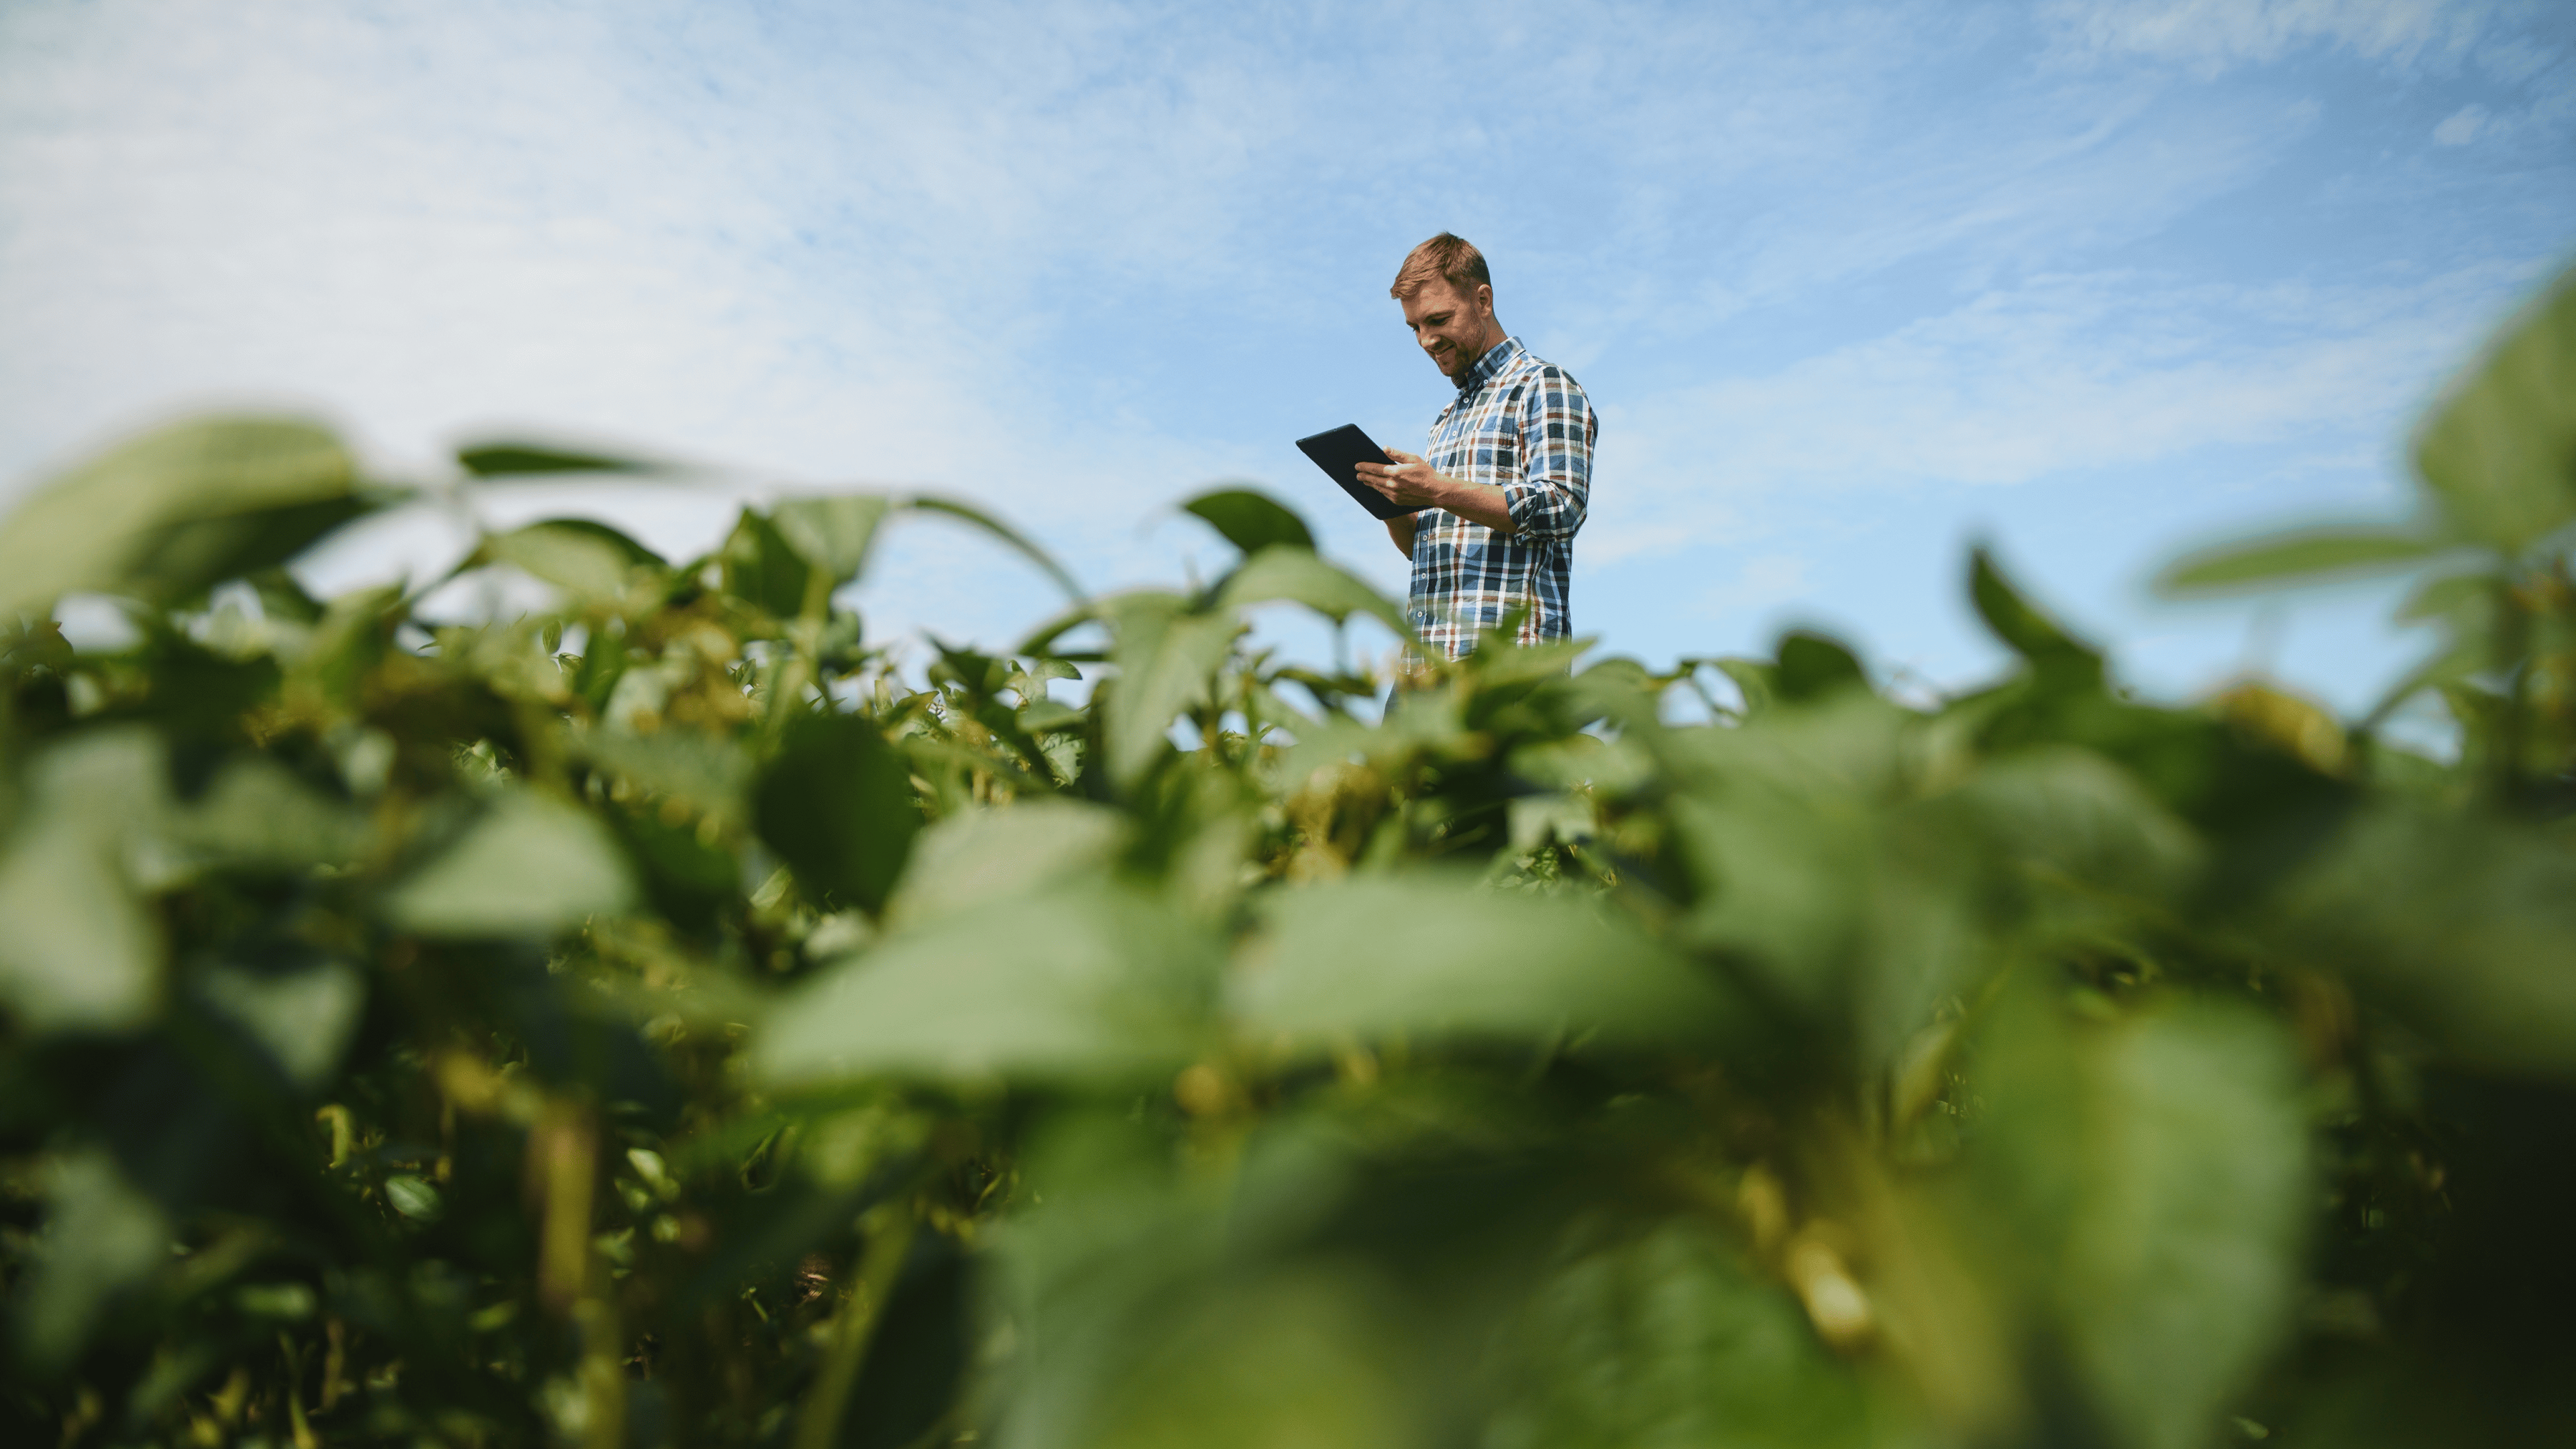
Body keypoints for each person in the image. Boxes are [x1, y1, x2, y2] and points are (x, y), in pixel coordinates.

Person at [1354, 232, 1598, 661]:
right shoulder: (1447, 418)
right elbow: (1427, 553)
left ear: (1483, 301)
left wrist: (1435, 489)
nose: (1425, 340)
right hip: (1425, 669)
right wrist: (1393, 505)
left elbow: (1563, 507)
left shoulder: (1542, 385)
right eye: (1415, 327)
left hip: (1505, 672)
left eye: (1437, 320)